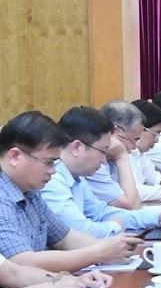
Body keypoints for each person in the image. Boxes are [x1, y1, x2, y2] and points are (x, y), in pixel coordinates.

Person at [0, 111, 141, 273]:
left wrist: (113, 249)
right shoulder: (3, 197)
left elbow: (65, 238)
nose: (53, 171)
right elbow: (22, 262)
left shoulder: (30, 193)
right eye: (49, 162)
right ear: (15, 156)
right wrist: (98, 253)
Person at [40, 107, 161, 239]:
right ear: (77, 147)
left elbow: (101, 213)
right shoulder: (52, 179)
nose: (104, 159)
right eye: (103, 151)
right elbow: (80, 231)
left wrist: (156, 217)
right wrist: (115, 226)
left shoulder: (77, 177)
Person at [84, 100, 144, 210]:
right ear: (116, 131)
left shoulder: (112, 157)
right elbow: (131, 206)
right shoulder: (91, 161)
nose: (134, 147)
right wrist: (122, 156)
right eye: (135, 140)